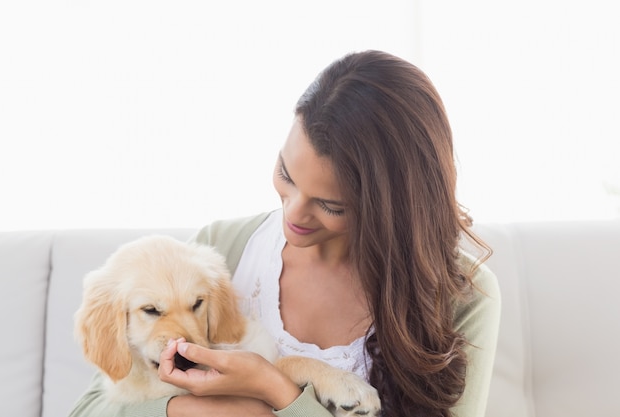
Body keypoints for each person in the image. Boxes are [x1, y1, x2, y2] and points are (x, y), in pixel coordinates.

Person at [69, 50, 501, 417]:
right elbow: (88, 407)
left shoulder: (462, 294)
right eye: (286, 173)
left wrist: (276, 394)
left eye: (331, 205)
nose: (292, 213)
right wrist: (190, 409)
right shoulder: (218, 251)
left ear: (393, 208)